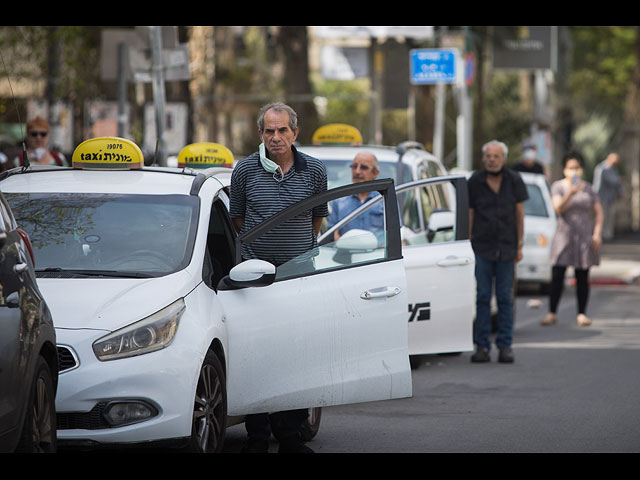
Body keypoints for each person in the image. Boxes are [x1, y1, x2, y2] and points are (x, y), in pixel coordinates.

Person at [229, 102, 328, 453]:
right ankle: (257, 435)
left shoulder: (315, 171)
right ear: (260, 134)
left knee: (297, 356)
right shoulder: (244, 171)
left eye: (282, 130)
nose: (276, 137)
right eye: (269, 131)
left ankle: (290, 435)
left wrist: (292, 252)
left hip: (299, 280)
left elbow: (316, 220)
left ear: (294, 133)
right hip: (254, 281)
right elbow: (238, 221)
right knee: (256, 354)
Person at [468, 140, 528, 363]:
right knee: (482, 298)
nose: (492, 160)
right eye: (488, 156)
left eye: (496, 156)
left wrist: (520, 245)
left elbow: (519, 214)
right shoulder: (474, 181)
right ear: (483, 159)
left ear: (504, 159)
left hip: (507, 249)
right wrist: (467, 244)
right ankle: (481, 346)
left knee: (504, 298)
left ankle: (505, 346)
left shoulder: (514, 180)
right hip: (482, 248)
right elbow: (470, 213)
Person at [542, 151, 603, 327]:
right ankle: (552, 312)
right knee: (557, 275)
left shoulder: (589, 188)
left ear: (582, 169)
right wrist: (571, 192)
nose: (574, 171)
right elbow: (558, 208)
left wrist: (597, 233)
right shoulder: (558, 187)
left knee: (582, 276)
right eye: (570, 168)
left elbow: (598, 213)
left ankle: (582, 313)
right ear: (564, 169)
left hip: (584, 237)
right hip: (564, 236)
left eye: (576, 168)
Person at [327, 151, 383, 241]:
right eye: (354, 166)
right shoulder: (339, 201)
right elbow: (332, 236)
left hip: (380, 254)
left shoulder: (385, 201)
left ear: (375, 173)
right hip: (347, 253)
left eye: (364, 167)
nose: (357, 171)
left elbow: (395, 234)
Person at [593, 153, 623, 241]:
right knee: (603, 216)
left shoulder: (614, 169)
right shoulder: (601, 168)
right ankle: (601, 234)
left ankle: (608, 235)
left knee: (610, 216)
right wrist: (595, 197)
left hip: (611, 197)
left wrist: (620, 192)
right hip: (602, 197)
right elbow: (598, 183)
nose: (615, 164)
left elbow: (618, 184)